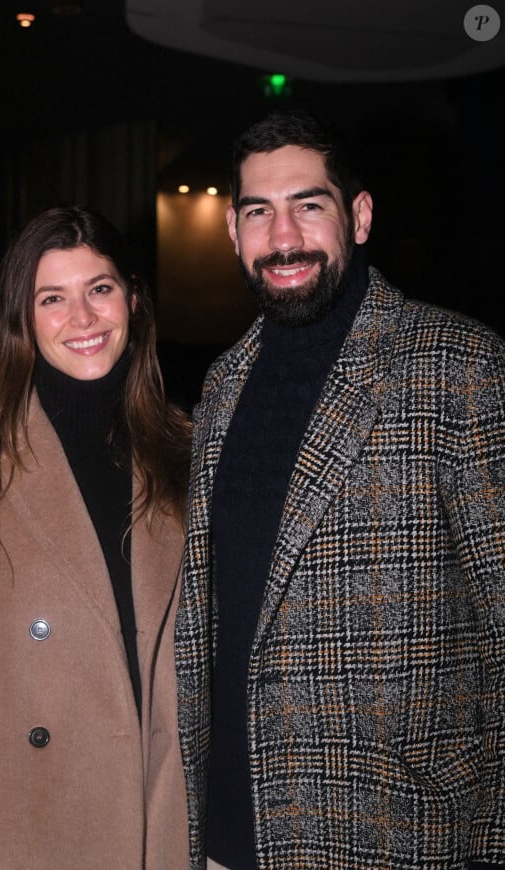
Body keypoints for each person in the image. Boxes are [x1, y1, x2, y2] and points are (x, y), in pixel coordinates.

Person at [175, 111, 505, 869]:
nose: (282, 236)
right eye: (259, 212)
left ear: (357, 216)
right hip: (228, 836)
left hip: (392, 838)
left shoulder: (458, 366)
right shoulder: (221, 385)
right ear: (232, 229)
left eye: (308, 205)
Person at [0, 205, 191, 869]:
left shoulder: (189, 454)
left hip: (163, 833)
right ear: (22, 318)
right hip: (19, 828)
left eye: (99, 289)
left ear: (132, 298)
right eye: (53, 298)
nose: (83, 318)